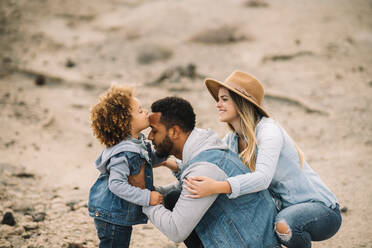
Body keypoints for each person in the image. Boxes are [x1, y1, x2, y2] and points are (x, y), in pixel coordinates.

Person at [182, 70, 342, 248]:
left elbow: (263, 178)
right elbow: (209, 161)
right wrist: (170, 163)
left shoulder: (268, 130)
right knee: (275, 219)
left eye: (224, 99)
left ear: (242, 102)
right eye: (218, 99)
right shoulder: (232, 140)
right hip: (281, 210)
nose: (218, 104)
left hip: (321, 210)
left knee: (285, 224)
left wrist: (215, 187)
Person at [143, 96, 280, 248]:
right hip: (249, 238)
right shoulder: (204, 144)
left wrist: (144, 198)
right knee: (173, 198)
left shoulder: (205, 167)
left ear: (175, 132)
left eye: (154, 131)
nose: (149, 137)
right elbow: (184, 188)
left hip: (250, 244)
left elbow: (176, 231)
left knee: (172, 201)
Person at [88, 84, 166, 248]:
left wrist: (168, 153)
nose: (146, 112)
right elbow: (116, 184)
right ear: (125, 122)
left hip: (117, 213)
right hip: (112, 214)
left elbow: (149, 160)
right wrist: (147, 197)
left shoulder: (137, 143)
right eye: (139, 111)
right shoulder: (123, 153)